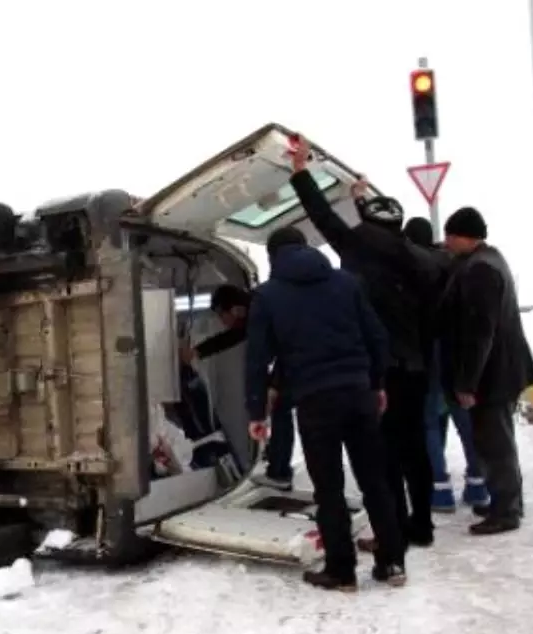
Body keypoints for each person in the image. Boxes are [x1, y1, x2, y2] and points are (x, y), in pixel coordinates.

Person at [286, 136, 442, 550]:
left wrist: (301, 172)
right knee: (416, 449)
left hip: (380, 370)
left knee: (384, 454)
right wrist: (360, 198)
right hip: (416, 367)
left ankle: (392, 529)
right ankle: (421, 526)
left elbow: (320, 215)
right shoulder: (420, 259)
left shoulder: (357, 246)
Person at [246, 226, 406, 591]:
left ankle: (342, 571)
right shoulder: (346, 283)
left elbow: (257, 360)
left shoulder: (268, 296)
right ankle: (393, 562)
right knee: (374, 481)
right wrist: (377, 383)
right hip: (358, 392)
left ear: (273, 256)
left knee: (329, 488)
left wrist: (258, 411)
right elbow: (377, 336)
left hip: (315, 402)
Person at [437, 207, 533, 535]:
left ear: (464, 236)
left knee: (495, 443)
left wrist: (468, 382)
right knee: (496, 440)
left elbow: (481, 332)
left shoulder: (481, 270)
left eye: (450, 237)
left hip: (492, 373)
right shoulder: (488, 260)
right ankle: (504, 501)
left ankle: (506, 512)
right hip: (500, 369)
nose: (446, 242)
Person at [403, 217, 490, 512]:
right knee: (465, 419)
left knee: (429, 420)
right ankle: (478, 484)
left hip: (429, 353)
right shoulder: (455, 263)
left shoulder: (411, 267)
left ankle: (438, 489)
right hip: (458, 352)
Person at [181, 285, 295, 488]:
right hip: (304, 362)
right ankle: (278, 467)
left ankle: (280, 473)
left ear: (235, 310)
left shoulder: (263, 313)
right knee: (279, 409)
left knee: (281, 408)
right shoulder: (258, 309)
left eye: (222, 316)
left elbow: (289, 351)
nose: (223, 322)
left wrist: (275, 385)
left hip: (308, 362)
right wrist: (198, 351)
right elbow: (235, 335)